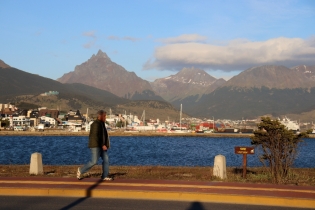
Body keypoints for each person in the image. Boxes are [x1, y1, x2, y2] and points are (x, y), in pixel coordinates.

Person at [77, 110, 113, 181]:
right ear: (100, 116)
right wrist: (102, 145)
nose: (105, 117)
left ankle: (104, 176)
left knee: (106, 160)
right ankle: (81, 170)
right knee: (94, 161)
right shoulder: (95, 124)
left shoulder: (102, 124)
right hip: (95, 146)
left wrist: (105, 144)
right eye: (104, 116)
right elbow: (95, 136)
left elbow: (104, 136)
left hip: (102, 146)